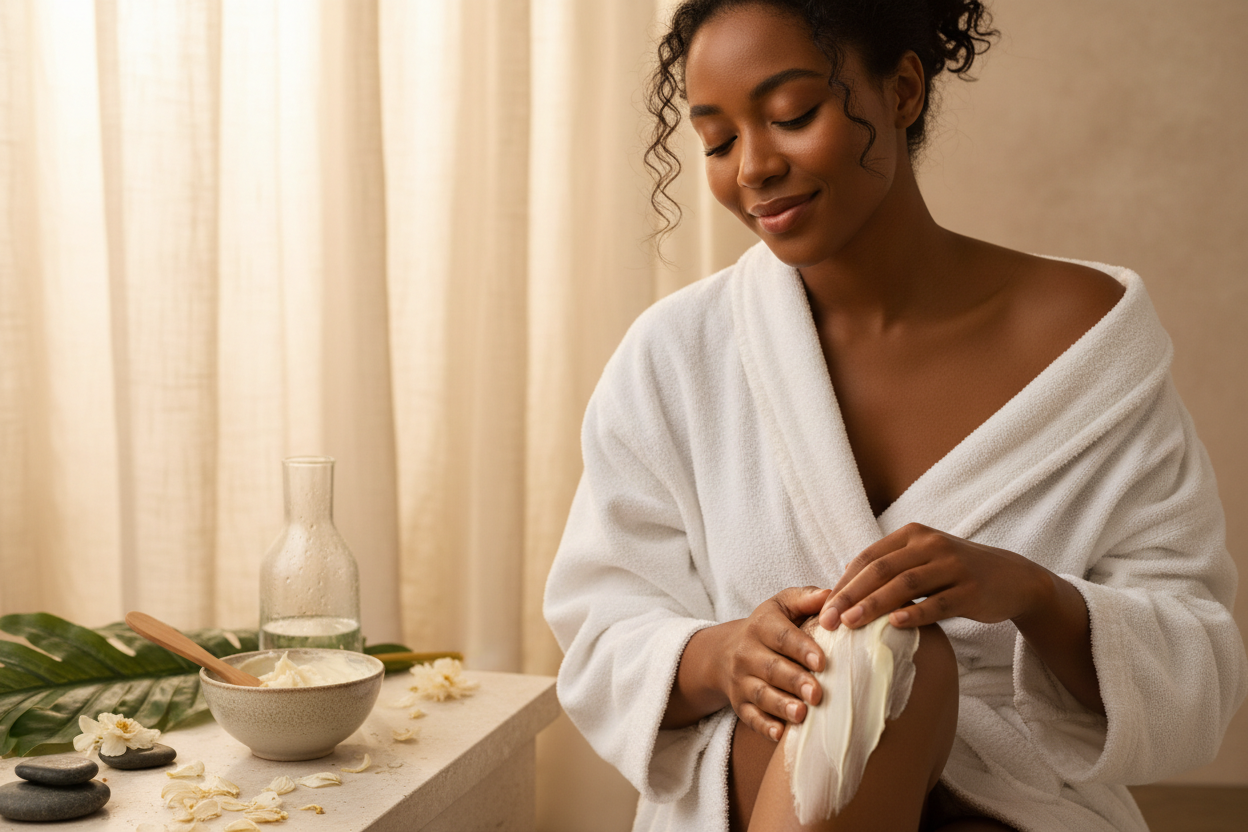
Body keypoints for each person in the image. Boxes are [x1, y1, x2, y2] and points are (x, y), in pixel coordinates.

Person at [544, 1, 1248, 830]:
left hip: (1013, 796)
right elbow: (602, 632)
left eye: (792, 115)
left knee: (895, 657)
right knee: (876, 662)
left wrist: (1029, 592)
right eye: (719, 140)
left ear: (903, 89)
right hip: (764, 772)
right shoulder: (676, 356)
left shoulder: (1090, 347)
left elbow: (1194, 663)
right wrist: (722, 655)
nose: (755, 167)